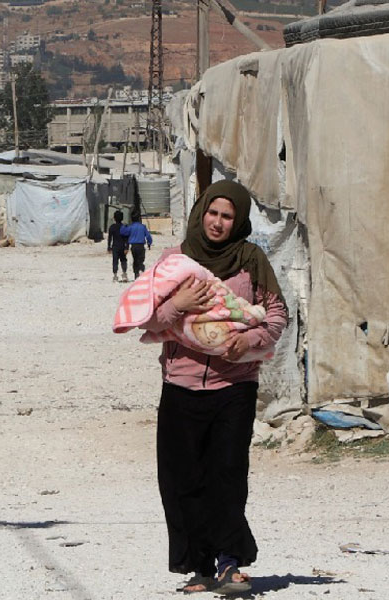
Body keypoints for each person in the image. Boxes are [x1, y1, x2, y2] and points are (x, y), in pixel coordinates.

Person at [140, 180, 287, 595]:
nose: (218, 223)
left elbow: (277, 315)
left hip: (234, 385)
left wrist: (251, 341)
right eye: (212, 213)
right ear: (201, 213)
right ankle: (199, 567)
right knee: (181, 478)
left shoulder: (251, 260)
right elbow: (148, 318)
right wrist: (176, 306)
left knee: (227, 474)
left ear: (238, 220)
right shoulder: (175, 260)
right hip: (181, 386)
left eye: (227, 216)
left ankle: (229, 562)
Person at [121, 211, 153, 279]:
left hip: (133, 246)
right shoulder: (143, 227)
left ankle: (136, 273)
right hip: (141, 246)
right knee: (141, 259)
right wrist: (149, 243)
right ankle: (141, 269)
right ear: (139, 218)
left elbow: (123, 232)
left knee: (135, 260)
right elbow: (148, 236)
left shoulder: (130, 227)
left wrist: (124, 226)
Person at [107, 210, 129, 283]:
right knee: (123, 260)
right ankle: (124, 274)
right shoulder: (124, 227)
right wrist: (127, 247)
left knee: (115, 261)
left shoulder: (112, 227)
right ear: (122, 218)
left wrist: (108, 247)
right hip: (122, 246)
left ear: (114, 218)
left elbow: (110, 238)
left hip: (115, 247)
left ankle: (115, 276)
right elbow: (127, 238)